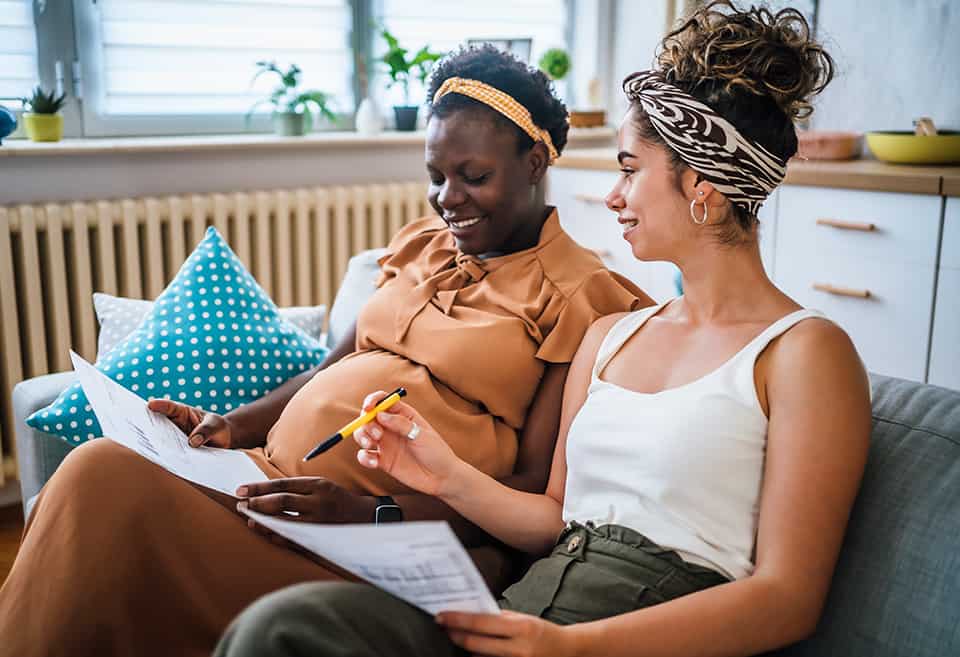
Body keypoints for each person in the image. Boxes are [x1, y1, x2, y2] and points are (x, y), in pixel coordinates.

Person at [212, 3, 873, 657]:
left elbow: (789, 596)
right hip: (516, 618)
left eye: (628, 169)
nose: (613, 196)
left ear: (698, 182)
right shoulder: (611, 336)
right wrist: (440, 474)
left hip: (614, 636)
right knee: (282, 626)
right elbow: (552, 519)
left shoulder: (806, 351)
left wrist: (572, 647)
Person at [0, 46, 649, 657]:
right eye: (436, 176)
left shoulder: (582, 297)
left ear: (535, 162)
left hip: (371, 539)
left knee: (100, 490)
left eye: (472, 176)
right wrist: (230, 425)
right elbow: (331, 364)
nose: (447, 198)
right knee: (98, 466)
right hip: (266, 482)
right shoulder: (421, 244)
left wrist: (364, 511)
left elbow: (533, 490)